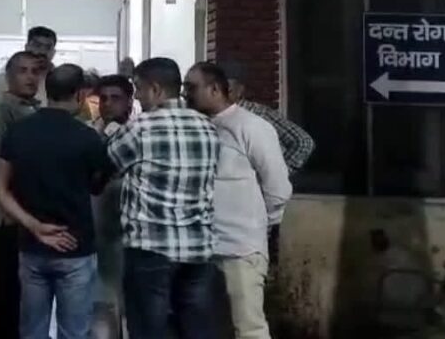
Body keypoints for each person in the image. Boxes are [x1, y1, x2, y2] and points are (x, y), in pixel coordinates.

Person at [0, 64, 112, 339]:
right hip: (76, 248)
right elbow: (97, 186)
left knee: (32, 331)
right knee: (74, 332)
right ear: (80, 95)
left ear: (47, 91)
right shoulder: (88, 137)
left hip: (31, 247)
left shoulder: (18, 132)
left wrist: (34, 226)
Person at [106, 57, 221, 339]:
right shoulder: (208, 127)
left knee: (149, 329)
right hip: (198, 248)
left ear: (155, 89)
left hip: (150, 247)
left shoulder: (140, 128)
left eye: (139, 88)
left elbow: (107, 166)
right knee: (195, 329)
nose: (137, 97)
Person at [185, 62, 292, 339]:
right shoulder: (195, 127)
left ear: (215, 89)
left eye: (192, 87)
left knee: (248, 328)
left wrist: (259, 225)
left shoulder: (251, 127)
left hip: (241, 249)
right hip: (202, 250)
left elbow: (278, 188)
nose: (186, 94)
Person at [0, 26, 58, 268]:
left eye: (47, 47)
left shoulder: (56, 81)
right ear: (27, 46)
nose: (41, 52)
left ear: (54, 52)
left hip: (38, 164)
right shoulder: (5, 79)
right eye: (36, 45)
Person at [216, 60, 314, 268]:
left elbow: (303, 142)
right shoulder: (211, 118)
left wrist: (279, 170)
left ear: (240, 90)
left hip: (255, 217)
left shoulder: (258, 115)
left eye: (228, 89)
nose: (223, 94)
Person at [0, 51, 44, 339]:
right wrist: (5, 207)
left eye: (35, 71)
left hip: (33, 215)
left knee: (23, 294)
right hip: (10, 217)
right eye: (22, 71)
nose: (30, 77)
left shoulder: (36, 110)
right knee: (9, 293)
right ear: (8, 76)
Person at [90, 75, 134, 339]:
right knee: (100, 303)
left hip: (130, 232)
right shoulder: (88, 132)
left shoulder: (138, 135)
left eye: (115, 98)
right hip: (95, 230)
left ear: (129, 101)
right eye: (103, 98)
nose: (107, 104)